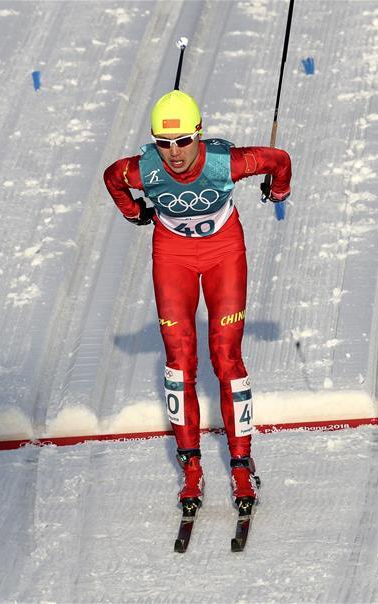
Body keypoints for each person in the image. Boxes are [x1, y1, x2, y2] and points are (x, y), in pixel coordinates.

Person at [103, 90, 291, 510]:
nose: (174, 153)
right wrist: (133, 212)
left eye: (184, 141)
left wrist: (279, 190)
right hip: (173, 256)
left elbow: (279, 160)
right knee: (179, 361)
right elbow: (112, 177)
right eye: (164, 143)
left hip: (224, 251)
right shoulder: (142, 169)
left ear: (199, 135)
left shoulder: (227, 162)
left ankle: (241, 466)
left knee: (226, 357)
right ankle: (190, 468)